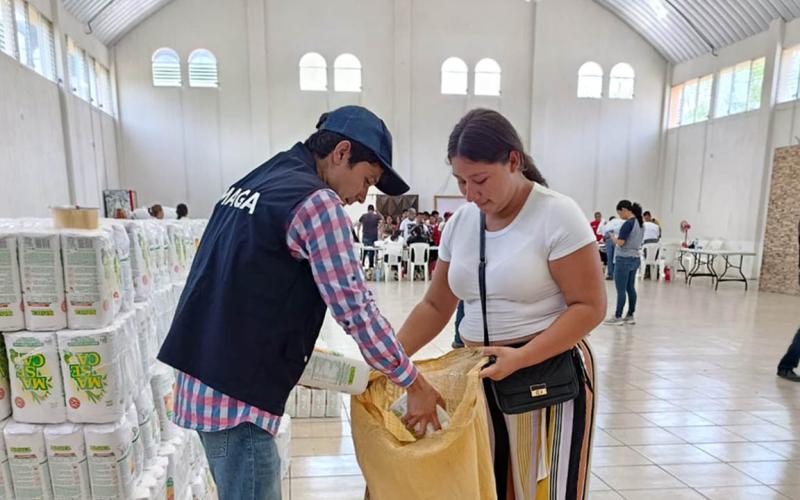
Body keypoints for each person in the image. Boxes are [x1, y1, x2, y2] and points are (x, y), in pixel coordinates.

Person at [157, 106, 445, 500]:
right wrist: (414, 381)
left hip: (205, 374)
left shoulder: (261, 178)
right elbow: (356, 310)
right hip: (236, 397)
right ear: (341, 152)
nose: (363, 196)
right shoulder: (317, 203)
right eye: (367, 180)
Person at [396, 109, 604, 499]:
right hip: (481, 374)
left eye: (479, 180)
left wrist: (521, 358)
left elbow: (589, 306)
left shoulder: (557, 215)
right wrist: (390, 358)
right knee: (488, 484)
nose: (471, 194)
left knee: (545, 488)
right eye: (461, 181)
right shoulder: (462, 223)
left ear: (513, 161)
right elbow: (436, 305)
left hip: (546, 371)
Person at [604, 200, 644, 326]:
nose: (620, 216)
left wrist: (612, 236)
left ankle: (618, 316)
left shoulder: (628, 224)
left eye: (620, 213)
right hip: (635, 257)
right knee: (630, 288)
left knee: (620, 289)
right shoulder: (641, 223)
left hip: (624, 258)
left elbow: (620, 242)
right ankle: (630, 315)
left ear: (624, 210)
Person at [600, 215, 623, 280]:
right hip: (617, 239)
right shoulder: (619, 224)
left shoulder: (608, 225)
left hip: (609, 240)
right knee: (616, 258)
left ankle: (610, 275)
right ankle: (616, 275)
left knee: (609, 258)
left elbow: (603, 235)